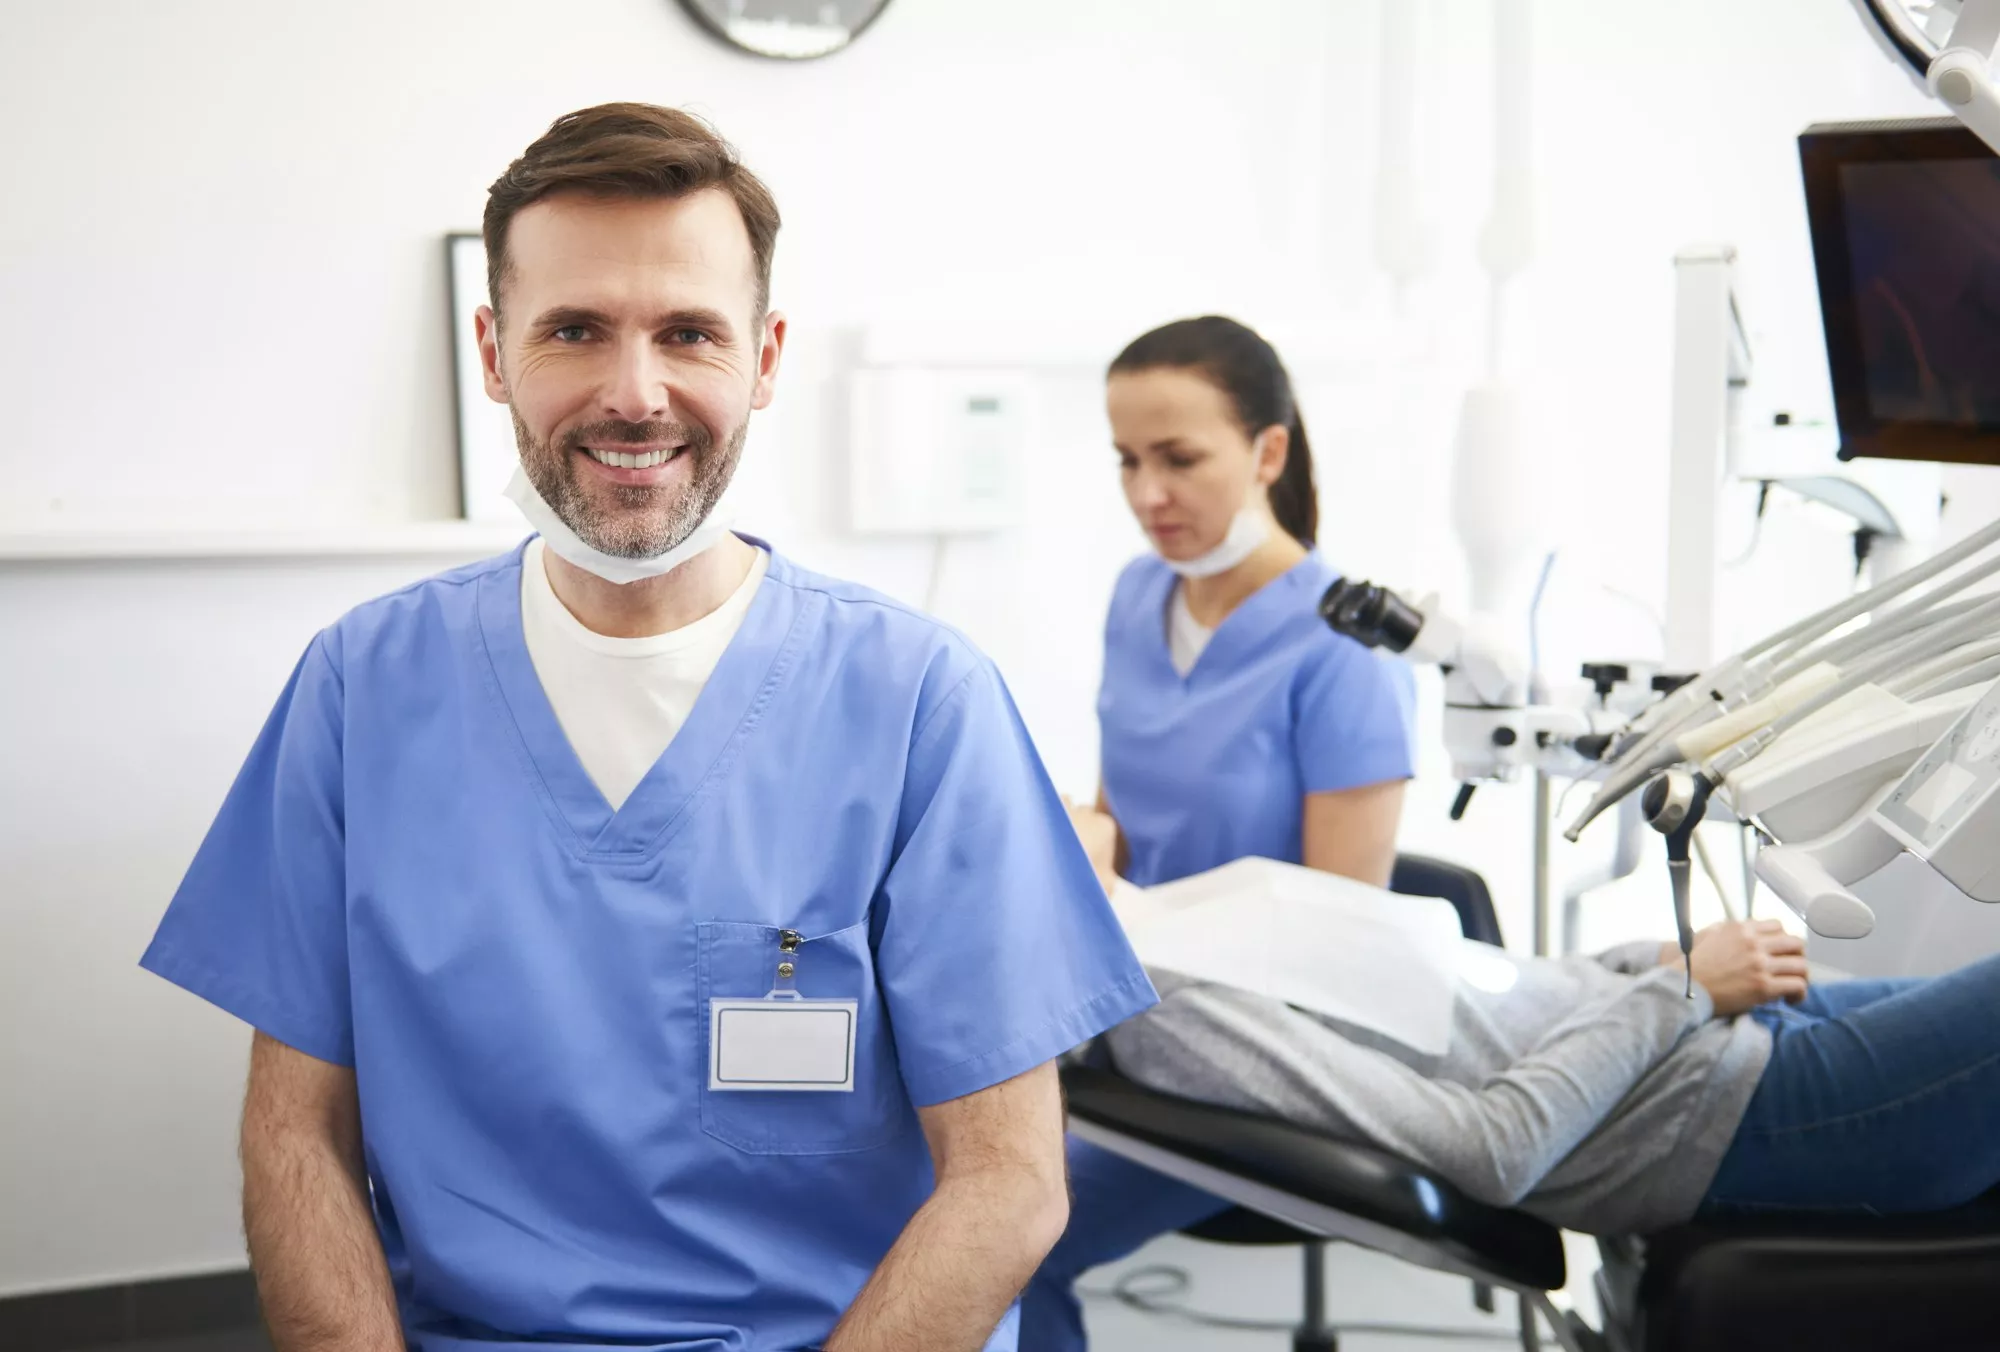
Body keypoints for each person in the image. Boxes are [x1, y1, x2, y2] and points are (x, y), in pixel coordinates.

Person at [139, 103, 1156, 1352]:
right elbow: (296, 1130)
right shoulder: (361, 689)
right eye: (574, 329)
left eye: (688, 332)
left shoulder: (918, 702)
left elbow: (1007, 1181)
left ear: (766, 357)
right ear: (493, 350)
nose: (635, 394)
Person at [1025, 316, 1418, 1346]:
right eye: (1126, 459)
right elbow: (1116, 824)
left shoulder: (1343, 651)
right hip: (1126, 1008)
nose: (1146, 493)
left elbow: (1338, 945)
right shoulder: (1136, 594)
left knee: (1010, 1234)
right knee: (905, 1171)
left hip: (1255, 1052)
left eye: (1178, 458)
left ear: (1266, 451)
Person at [1096, 891, 2000, 1236]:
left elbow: (1498, 998)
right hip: (1725, 1110)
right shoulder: (1169, 1003)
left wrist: (1639, 965)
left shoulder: (1170, 915)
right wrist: (1682, 989)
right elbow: (1490, 1148)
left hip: (1729, 1040)